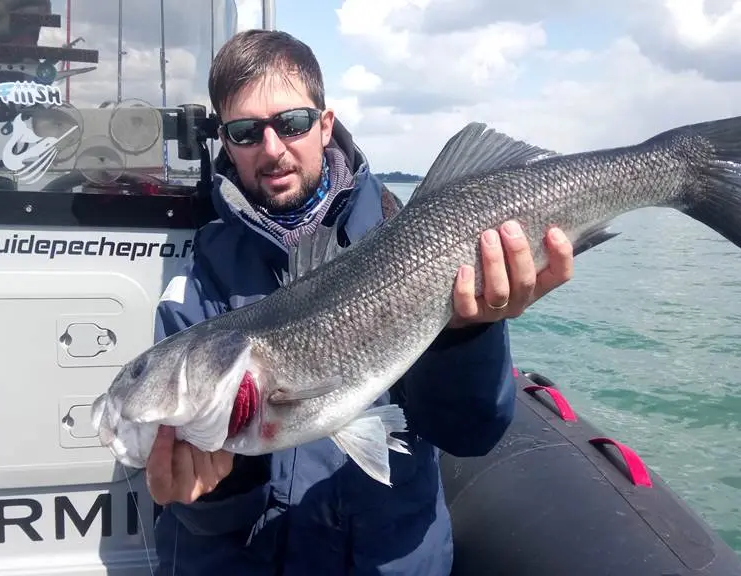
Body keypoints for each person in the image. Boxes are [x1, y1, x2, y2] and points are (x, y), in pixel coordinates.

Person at [148, 29, 575, 576]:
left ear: (325, 125)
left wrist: (470, 332)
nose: (273, 148)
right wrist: (213, 491)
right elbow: (202, 516)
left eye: (294, 123)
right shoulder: (195, 290)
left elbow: (471, 434)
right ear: (227, 145)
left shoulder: (414, 236)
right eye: (246, 131)